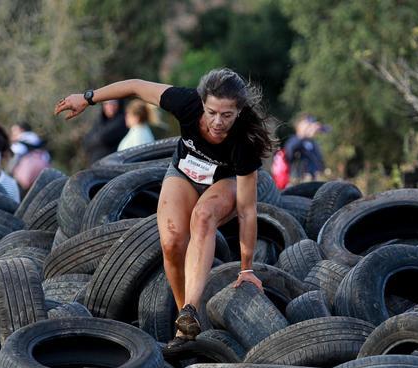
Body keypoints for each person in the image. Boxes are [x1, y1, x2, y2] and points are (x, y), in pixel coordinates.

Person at [56, 68, 274, 350]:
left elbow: (246, 211)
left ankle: (192, 307)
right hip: (184, 173)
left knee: (203, 217)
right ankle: (185, 320)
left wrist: (246, 268)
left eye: (226, 115)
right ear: (202, 103)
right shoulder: (185, 102)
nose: (217, 122)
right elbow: (135, 85)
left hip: (225, 182)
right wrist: (88, 98)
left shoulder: (246, 139)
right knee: (171, 241)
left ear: (239, 111)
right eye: (211, 112)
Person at [283, 113, 327, 182]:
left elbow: (319, 160)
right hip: (299, 180)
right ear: (299, 126)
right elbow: (290, 153)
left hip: (313, 179)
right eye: (306, 124)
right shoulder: (293, 140)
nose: (309, 127)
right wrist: (303, 135)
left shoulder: (312, 142)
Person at [8, 122, 51, 193]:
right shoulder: (37, 139)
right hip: (41, 174)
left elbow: (15, 155)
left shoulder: (20, 141)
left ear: (21, 129)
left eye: (14, 131)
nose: (12, 134)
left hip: (23, 179)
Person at [82, 99, 128, 164]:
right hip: (95, 164)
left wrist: (94, 140)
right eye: (106, 103)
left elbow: (103, 138)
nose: (110, 106)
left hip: (112, 165)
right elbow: (86, 141)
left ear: (119, 105)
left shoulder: (122, 121)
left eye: (113, 103)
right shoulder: (100, 121)